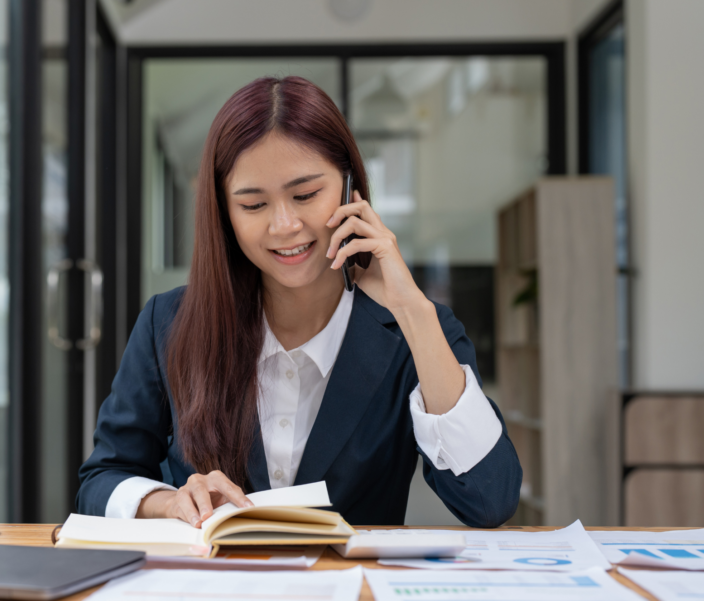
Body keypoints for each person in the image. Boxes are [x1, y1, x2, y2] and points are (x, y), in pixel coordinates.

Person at [76, 76, 521, 528]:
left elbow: (491, 500)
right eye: (253, 205)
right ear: (224, 213)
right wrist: (166, 502)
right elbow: (101, 480)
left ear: (351, 188)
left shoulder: (416, 330)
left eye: (306, 195)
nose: (284, 225)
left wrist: (413, 311)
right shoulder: (168, 323)